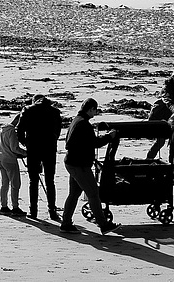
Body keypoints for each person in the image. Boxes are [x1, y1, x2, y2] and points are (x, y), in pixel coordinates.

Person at [60, 98, 121, 235]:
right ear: (90, 109)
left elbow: (70, 143)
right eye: (95, 109)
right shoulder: (84, 124)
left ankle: (66, 223)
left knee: (74, 193)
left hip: (72, 162)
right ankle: (103, 224)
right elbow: (95, 143)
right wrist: (109, 136)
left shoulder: (76, 121)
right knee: (93, 193)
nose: (96, 112)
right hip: (79, 164)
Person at [17, 94, 62, 220]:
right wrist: (53, 140)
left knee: (33, 181)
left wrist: (25, 143)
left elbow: (19, 130)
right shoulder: (54, 111)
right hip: (50, 148)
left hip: (34, 148)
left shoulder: (28, 110)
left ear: (34, 101)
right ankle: (52, 211)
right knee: (50, 181)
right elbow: (58, 130)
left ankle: (33, 211)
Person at [146, 67, 174, 159]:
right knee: (160, 141)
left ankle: (172, 166)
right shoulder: (167, 87)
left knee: (173, 142)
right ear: (173, 76)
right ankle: (149, 159)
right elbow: (167, 100)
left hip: (172, 117)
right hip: (160, 115)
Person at [0, 113, 28, 216]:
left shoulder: (3, 129)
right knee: (15, 184)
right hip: (10, 160)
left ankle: (4, 206)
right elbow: (14, 148)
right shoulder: (11, 132)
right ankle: (15, 207)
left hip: (2, 158)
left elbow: (5, 146)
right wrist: (25, 153)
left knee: (5, 184)